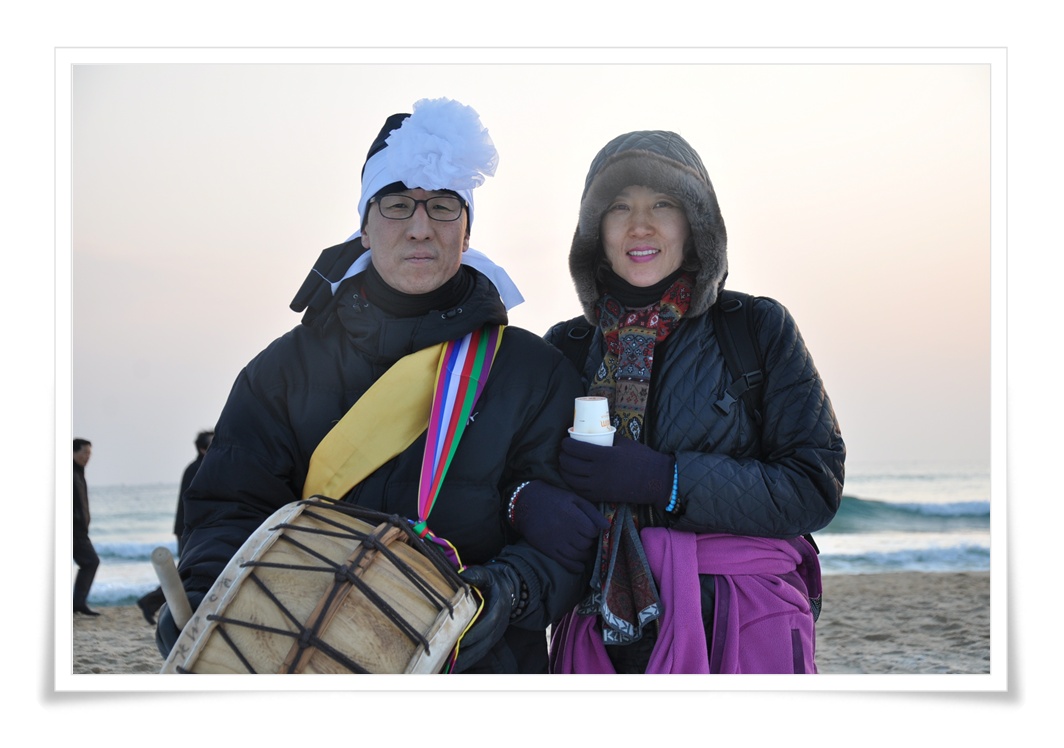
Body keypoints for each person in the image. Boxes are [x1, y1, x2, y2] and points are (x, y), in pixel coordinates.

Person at [156, 98, 589, 674]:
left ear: (466, 231)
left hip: (477, 669)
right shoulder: (282, 371)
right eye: (396, 204)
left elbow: (564, 535)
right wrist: (207, 595)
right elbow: (231, 509)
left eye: (443, 206)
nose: (420, 226)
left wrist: (504, 594)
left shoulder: (534, 372)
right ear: (363, 226)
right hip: (307, 662)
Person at [510, 130, 845, 674]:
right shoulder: (564, 348)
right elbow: (510, 474)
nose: (640, 225)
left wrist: (665, 479)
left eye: (662, 204)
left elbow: (814, 484)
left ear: (696, 225)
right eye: (620, 207)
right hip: (599, 627)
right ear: (596, 233)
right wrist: (524, 499)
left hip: (738, 621)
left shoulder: (756, 328)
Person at [136, 430, 213, 625]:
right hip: (192, 529)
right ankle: (150, 601)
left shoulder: (201, 467)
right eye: (213, 444)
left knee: (188, 571)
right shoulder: (197, 469)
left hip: (194, 528)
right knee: (187, 572)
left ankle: (151, 602)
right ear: (202, 449)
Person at [73, 438, 100, 616]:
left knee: (90, 562)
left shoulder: (78, 472)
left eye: (89, 453)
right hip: (72, 529)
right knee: (90, 561)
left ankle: (78, 603)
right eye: (85, 453)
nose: (87, 457)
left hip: (80, 530)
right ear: (73, 452)